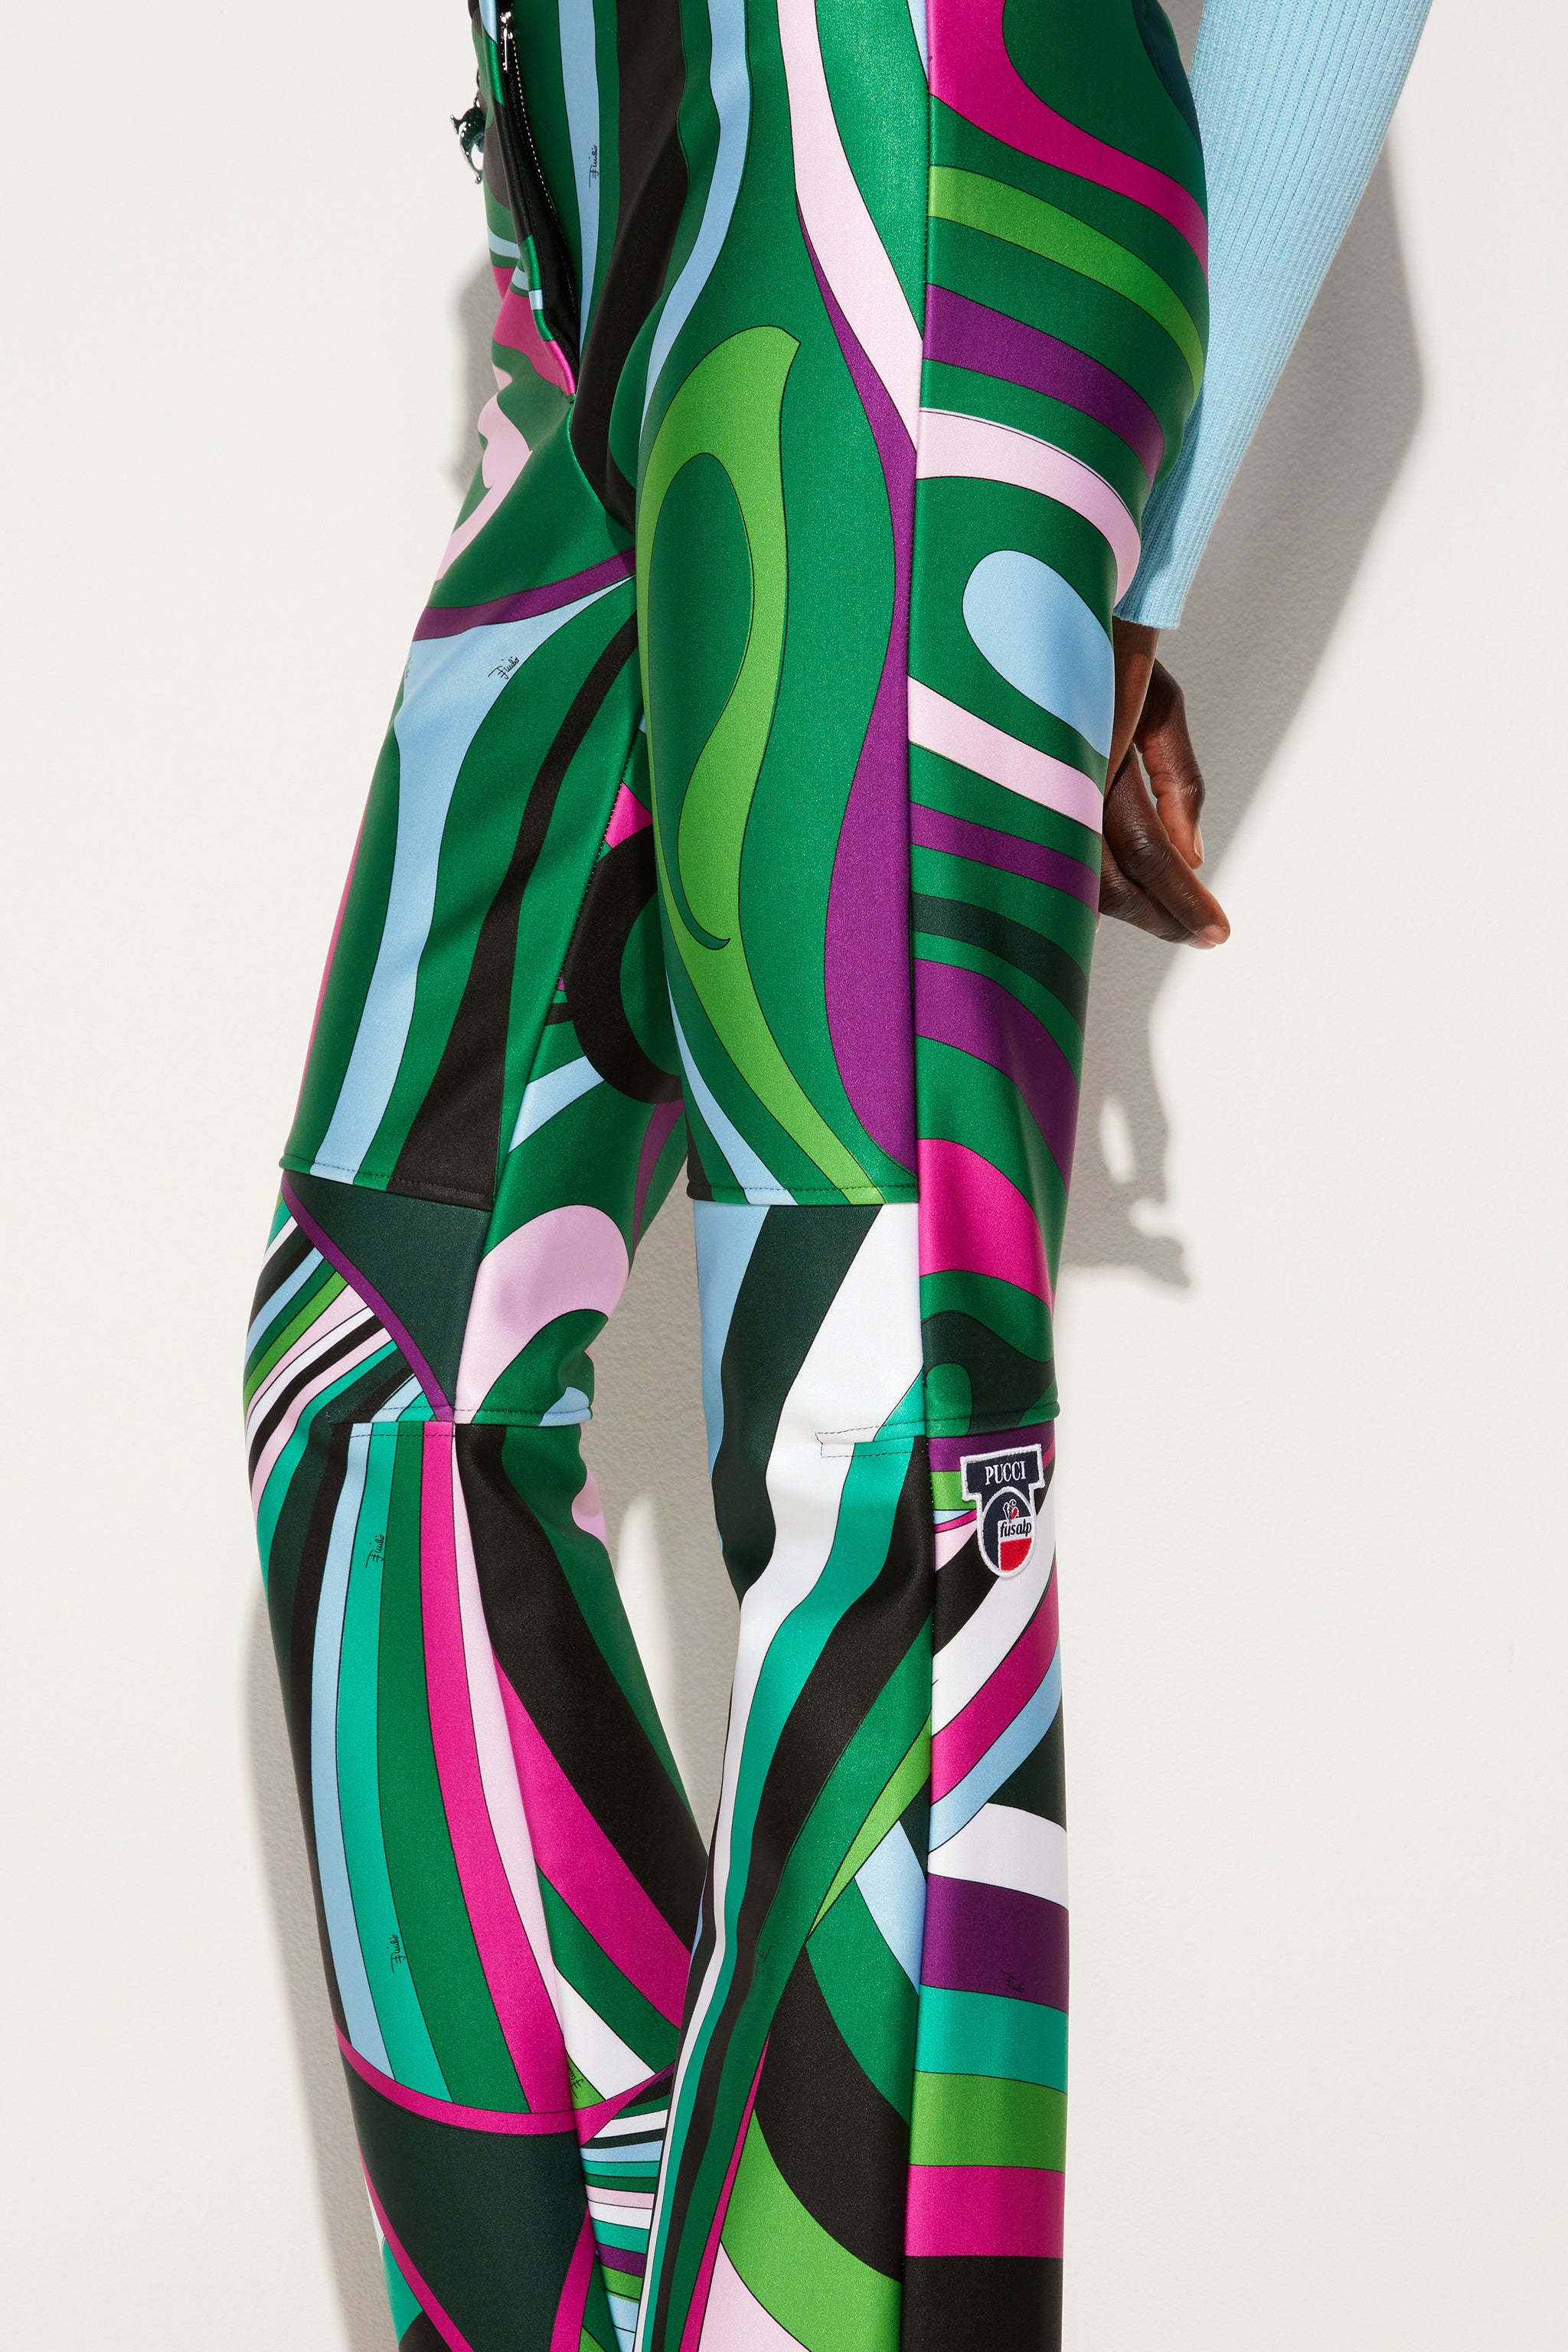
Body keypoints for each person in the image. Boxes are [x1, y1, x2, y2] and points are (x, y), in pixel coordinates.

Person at [243, 3, 1426, 2345]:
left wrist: (1119, 549)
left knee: (871, 1417)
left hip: (902, 150)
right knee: (376, 1380)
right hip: (592, 229)